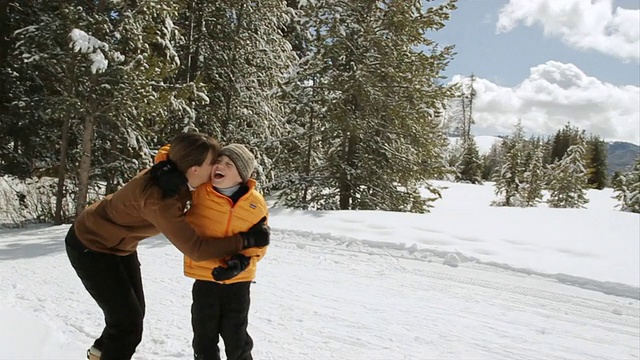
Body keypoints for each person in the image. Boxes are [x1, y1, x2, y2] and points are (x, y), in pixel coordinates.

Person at [64, 133, 270, 360]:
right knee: (128, 325)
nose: (216, 168)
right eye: (213, 163)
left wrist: (163, 164)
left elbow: (172, 149)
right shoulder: (160, 200)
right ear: (193, 169)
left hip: (119, 245)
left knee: (132, 314)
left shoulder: (177, 175)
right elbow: (196, 249)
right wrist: (246, 240)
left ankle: (101, 352)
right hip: (90, 245)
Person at [156, 143, 268, 360]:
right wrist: (166, 165)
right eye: (218, 161)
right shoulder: (200, 191)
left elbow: (260, 242)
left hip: (238, 282)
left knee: (236, 336)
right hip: (206, 277)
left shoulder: (256, 204)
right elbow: (175, 154)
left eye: (229, 164)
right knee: (204, 337)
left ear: (242, 175)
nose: (220, 166)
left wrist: (243, 262)